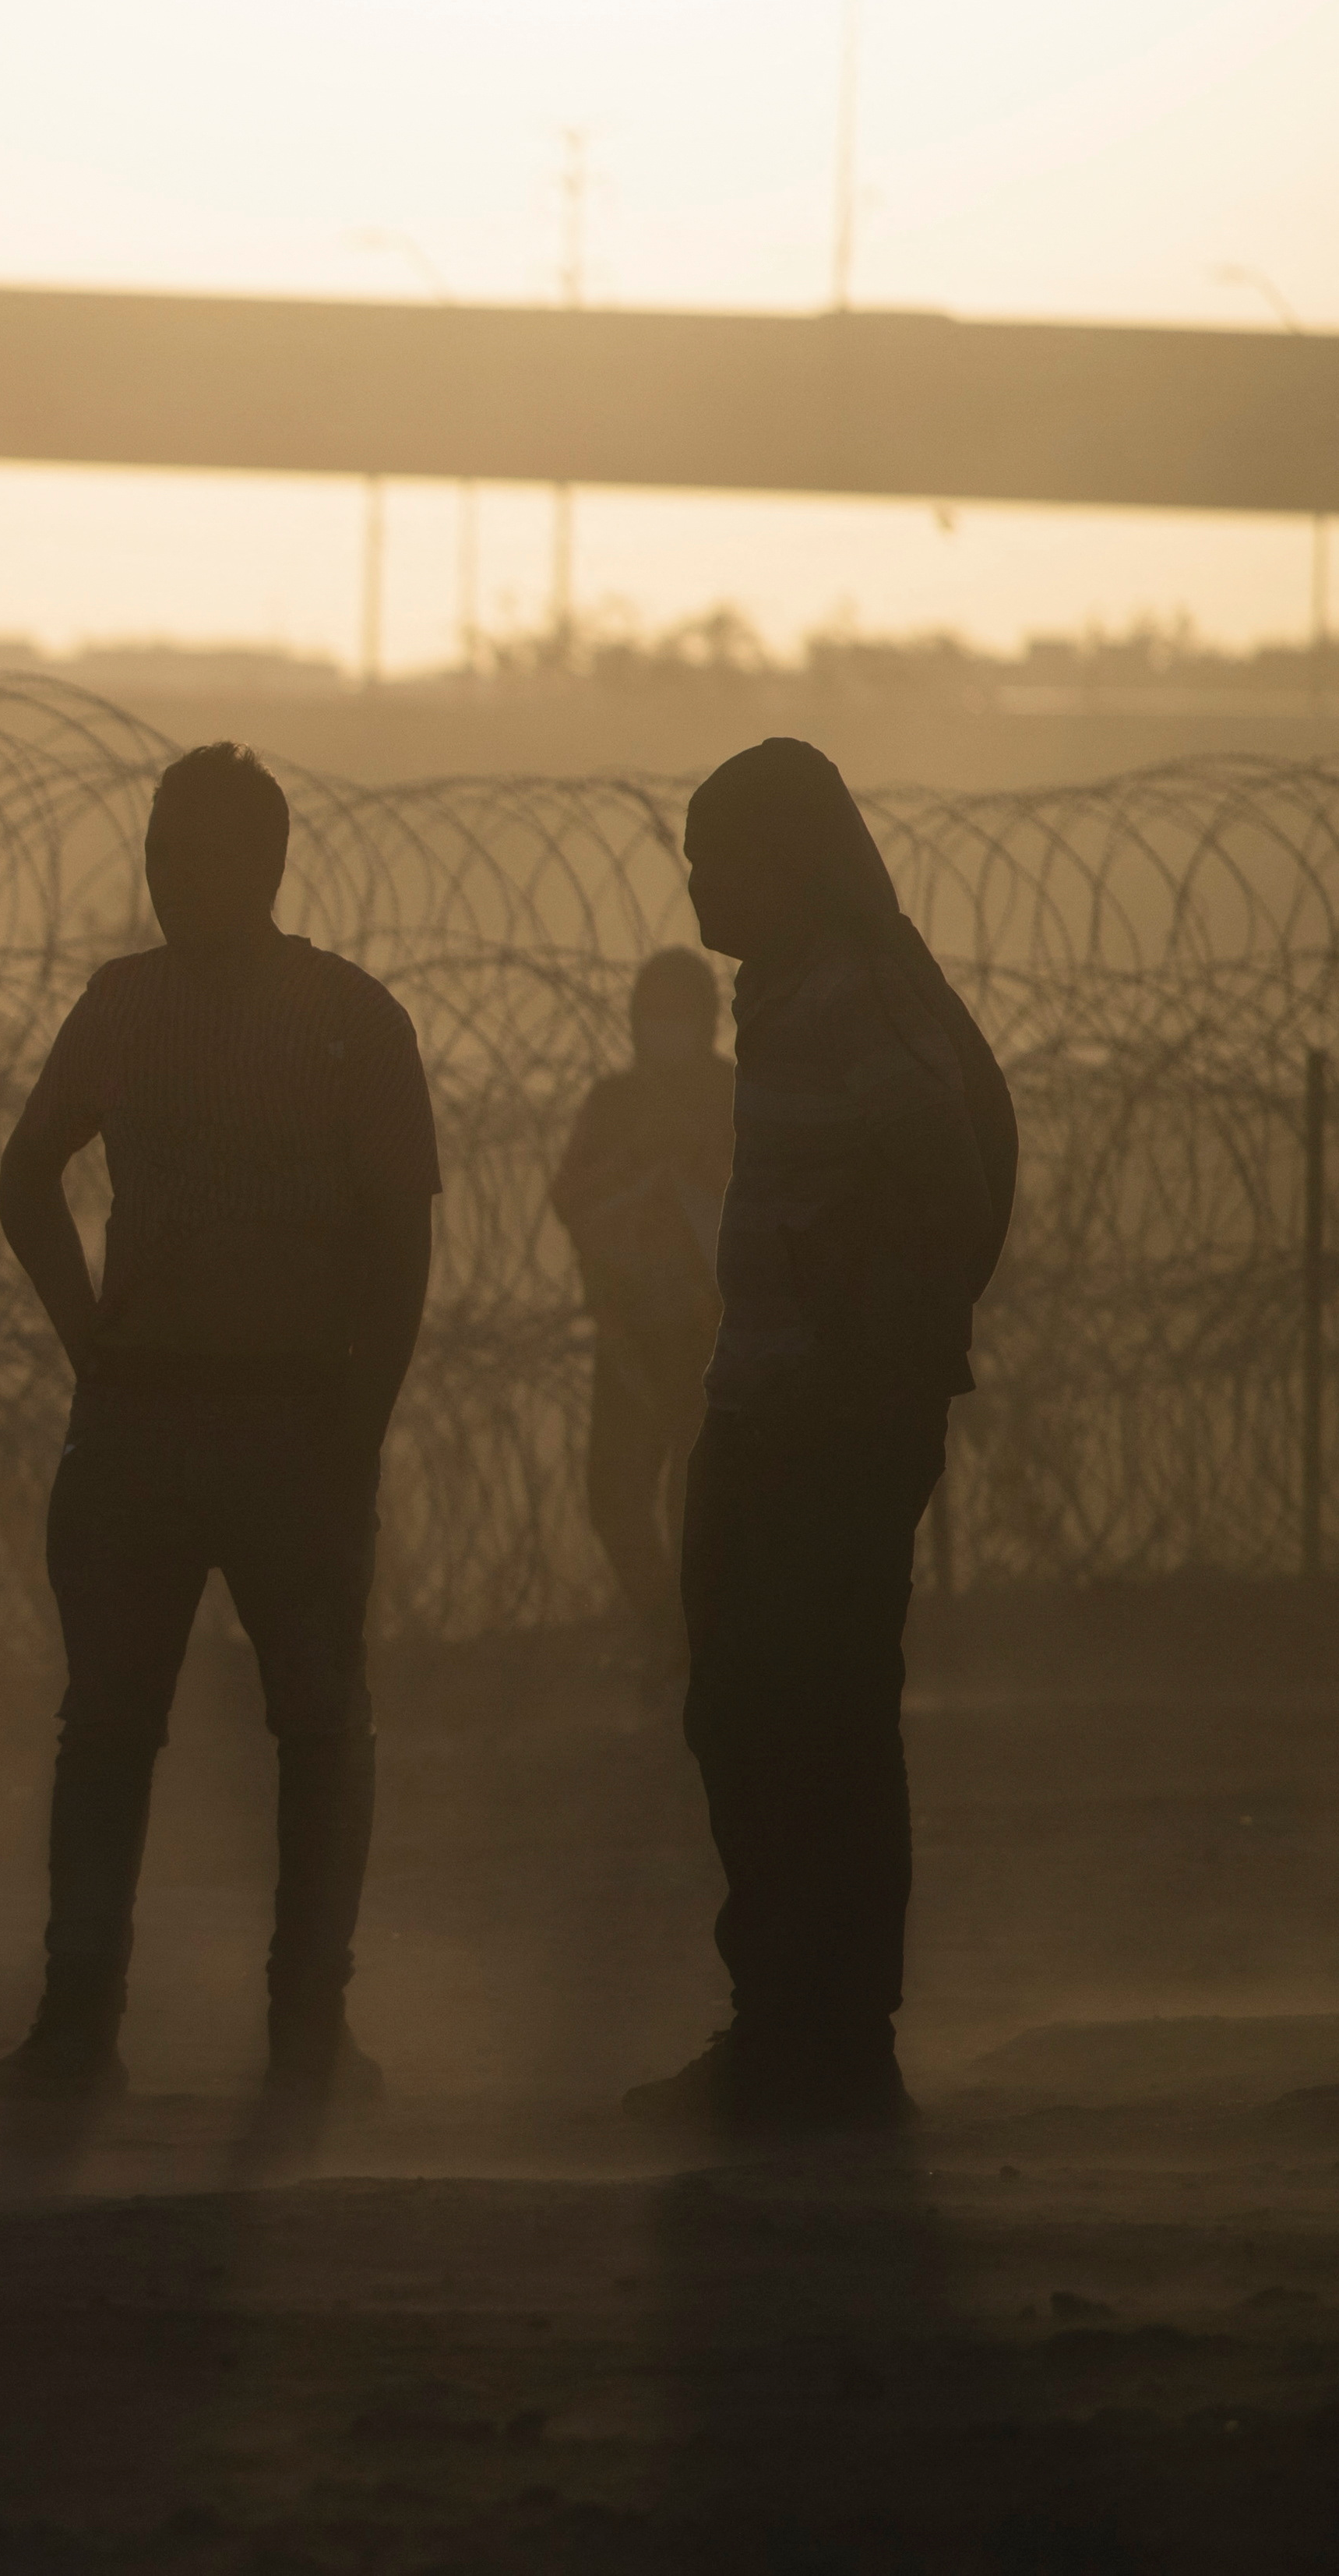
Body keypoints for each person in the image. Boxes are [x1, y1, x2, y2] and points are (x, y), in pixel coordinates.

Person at [0, 744, 439, 2112]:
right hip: (151, 1416)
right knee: (112, 1726)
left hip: (285, 1414)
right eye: (161, 852)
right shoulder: (126, 1005)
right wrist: (93, 1340)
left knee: (312, 1727)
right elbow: (26, 1178)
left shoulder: (351, 1019)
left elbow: (400, 1240)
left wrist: (356, 1419)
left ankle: (306, 2026)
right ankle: (81, 2022)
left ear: (272, 862)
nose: (174, 877)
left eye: (202, 852)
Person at [628, 739, 1011, 2137]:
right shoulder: (791, 995)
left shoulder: (857, 1001)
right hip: (768, 1401)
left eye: (716, 859)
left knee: (811, 1719)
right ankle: (794, 2029)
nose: (697, 887)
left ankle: (826, 2044)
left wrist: (871, 1347)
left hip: (827, 1425)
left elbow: (952, 1180)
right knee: (747, 1709)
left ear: (794, 866)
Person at [549, 948, 737, 1663]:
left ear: (706, 1020)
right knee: (615, 1495)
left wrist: (695, 1157)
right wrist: (634, 1156)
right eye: (653, 1013)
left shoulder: (734, 1094)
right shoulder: (614, 1101)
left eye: (680, 1013)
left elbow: (765, 1196)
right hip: (629, 1330)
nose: (666, 1027)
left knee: (697, 1504)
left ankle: (702, 1655)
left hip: (712, 1331)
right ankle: (669, 1631)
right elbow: (569, 1196)